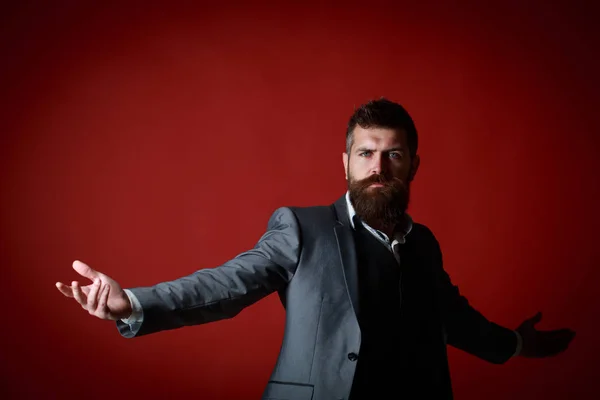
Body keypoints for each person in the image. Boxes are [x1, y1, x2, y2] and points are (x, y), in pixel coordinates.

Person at [56, 97, 575, 399]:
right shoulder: (303, 228)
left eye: (393, 154)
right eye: (366, 153)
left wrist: (518, 344)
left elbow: (455, 320)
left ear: (413, 165)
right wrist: (134, 303)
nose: (378, 167)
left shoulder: (423, 245)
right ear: (345, 163)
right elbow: (228, 284)